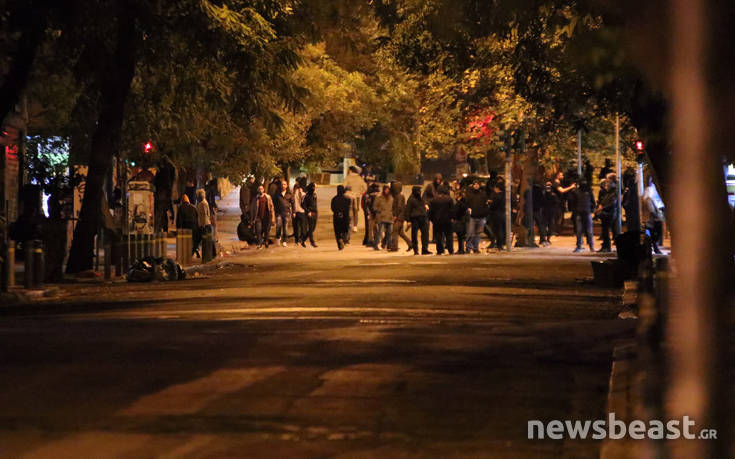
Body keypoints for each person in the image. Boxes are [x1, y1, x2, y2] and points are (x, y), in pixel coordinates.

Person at [404, 185, 431, 255]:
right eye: (419, 191)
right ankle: (416, 250)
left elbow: (423, 206)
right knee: (414, 235)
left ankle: (424, 249)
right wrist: (408, 220)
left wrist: (425, 207)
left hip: (422, 218)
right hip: (415, 219)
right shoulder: (411, 199)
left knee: (425, 234)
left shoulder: (420, 199)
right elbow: (407, 210)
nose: (420, 192)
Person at [465, 180, 489, 253]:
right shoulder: (469, 194)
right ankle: (468, 248)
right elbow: (466, 204)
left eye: (477, 184)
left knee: (478, 234)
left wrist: (485, 213)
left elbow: (486, 204)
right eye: (474, 184)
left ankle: (476, 248)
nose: (476, 185)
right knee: (470, 233)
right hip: (472, 216)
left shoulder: (483, 194)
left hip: (481, 216)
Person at [429, 185, 454, 254]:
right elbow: (452, 210)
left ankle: (440, 250)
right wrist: (452, 218)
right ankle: (450, 250)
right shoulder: (449, 199)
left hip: (437, 221)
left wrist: (432, 219)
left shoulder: (434, 200)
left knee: (438, 236)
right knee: (449, 235)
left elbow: (431, 211)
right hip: (447, 220)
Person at [572, 180, 595, 252]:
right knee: (585, 231)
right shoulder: (588, 192)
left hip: (584, 213)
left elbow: (573, 203)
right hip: (584, 213)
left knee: (583, 231)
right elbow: (593, 202)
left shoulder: (578, 192)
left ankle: (583, 246)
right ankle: (589, 246)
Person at [595, 178, 618, 252]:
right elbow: (603, 201)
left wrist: (601, 208)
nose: (606, 186)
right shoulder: (608, 193)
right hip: (606, 213)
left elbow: (612, 204)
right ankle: (605, 246)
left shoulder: (613, 193)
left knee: (606, 231)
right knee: (605, 231)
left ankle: (607, 247)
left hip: (609, 214)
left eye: (608, 184)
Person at [642, 178, 664, 254]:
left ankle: (654, 248)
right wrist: (657, 216)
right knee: (655, 235)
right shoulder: (649, 199)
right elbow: (652, 210)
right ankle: (655, 248)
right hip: (652, 220)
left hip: (648, 220)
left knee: (651, 235)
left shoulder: (645, 199)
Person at [249, 185, 275, 249]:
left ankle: (266, 241)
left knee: (267, 230)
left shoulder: (268, 197)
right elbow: (252, 209)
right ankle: (259, 243)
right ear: (258, 190)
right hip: (258, 217)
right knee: (258, 230)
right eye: (259, 189)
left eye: (262, 189)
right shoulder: (255, 198)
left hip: (267, 217)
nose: (260, 190)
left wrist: (273, 217)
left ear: (263, 190)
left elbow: (271, 207)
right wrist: (252, 218)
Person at [388, 181, 411, 252]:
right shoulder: (399, 196)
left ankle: (394, 247)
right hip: (400, 217)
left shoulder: (399, 196)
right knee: (401, 233)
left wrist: (395, 215)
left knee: (394, 231)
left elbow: (399, 207)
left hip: (399, 217)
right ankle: (410, 244)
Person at [344, 166, 367, 232]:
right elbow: (365, 187)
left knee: (349, 210)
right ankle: (355, 226)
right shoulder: (359, 178)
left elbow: (343, 186)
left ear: (351, 171)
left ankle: (350, 224)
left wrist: (346, 192)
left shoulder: (348, 177)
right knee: (356, 211)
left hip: (349, 196)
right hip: (357, 196)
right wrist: (360, 192)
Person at [372, 185, 394, 250]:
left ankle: (387, 244)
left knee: (389, 232)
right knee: (380, 232)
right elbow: (374, 207)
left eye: (388, 189)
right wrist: (380, 211)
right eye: (386, 189)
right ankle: (376, 244)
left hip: (390, 217)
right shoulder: (379, 198)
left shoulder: (391, 198)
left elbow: (393, 207)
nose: (387, 191)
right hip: (382, 218)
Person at [272, 179, 293, 247]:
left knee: (285, 228)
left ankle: (284, 241)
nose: (283, 185)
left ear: (286, 186)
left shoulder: (289, 194)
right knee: (278, 226)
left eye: (284, 184)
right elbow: (273, 203)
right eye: (282, 184)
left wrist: (294, 212)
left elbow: (293, 203)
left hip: (286, 213)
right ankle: (278, 238)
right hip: (279, 213)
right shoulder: (277, 194)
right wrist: (273, 212)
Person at [331, 185, 352, 250]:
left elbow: (332, 208)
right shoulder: (347, 199)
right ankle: (343, 239)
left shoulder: (334, 199)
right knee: (345, 230)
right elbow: (348, 208)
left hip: (336, 217)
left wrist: (338, 212)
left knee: (337, 231)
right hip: (345, 217)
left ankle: (339, 242)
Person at [488, 182, 506, 250]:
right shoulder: (504, 195)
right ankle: (501, 244)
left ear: (497, 188)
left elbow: (493, 206)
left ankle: (499, 245)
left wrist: (490, 203)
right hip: (503, 214)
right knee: (502, 230)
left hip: (496, 215)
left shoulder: (496, 196)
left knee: (497, 230)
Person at [538, 181, 557, 246]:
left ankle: (545, 238)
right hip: (547, 211)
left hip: (547, 211)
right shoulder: (551, 195)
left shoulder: (544, 194)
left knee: (546, 225)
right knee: (547, 225)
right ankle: (546, 238)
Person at [452, 189, 470, 254]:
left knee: (460, 236)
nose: (455, 196)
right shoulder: (464, 202)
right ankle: (461, 249)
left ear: (459, 196)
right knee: (461, 236)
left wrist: (454, 217)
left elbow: (456, 212)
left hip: (460, 221)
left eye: (456, 195)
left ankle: (461, 250)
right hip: (463, 221)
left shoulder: (460, 203)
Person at [362, 182, 380, 246]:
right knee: (376, 228)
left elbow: (366, 205)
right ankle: (377, 240)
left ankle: (371, 241)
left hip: (372, 213)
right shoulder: (379, 195)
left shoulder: (368, 195)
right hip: (376, 213)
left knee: (371, 228)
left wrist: (368, 212)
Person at [195, 189, 212, 256]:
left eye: (198, 196)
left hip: (204, 225)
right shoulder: (203, 202)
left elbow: (205, 214)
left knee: (204, 241)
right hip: (204, 224)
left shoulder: (203, 203)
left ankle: (207, 256)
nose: (197, 197)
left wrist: (203, 225)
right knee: (205, 240)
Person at [302, 182, 318, 248]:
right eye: (315, 187)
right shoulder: (307, 195)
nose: (316, 188)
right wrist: (308, 212)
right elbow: (303, 204)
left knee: (313, 228)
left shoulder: (314, 195)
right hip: (310, 213)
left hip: (315, 213)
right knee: (311, 228)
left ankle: (303, 239)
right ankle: (312, 242)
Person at [292, 181, 307, 246]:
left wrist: (293, 212)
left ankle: (298, 240)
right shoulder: (302, 194)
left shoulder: (297, 194)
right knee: (302, 227)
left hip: (297, 212)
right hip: (301, 212)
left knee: (297, 227)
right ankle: (301, 240)